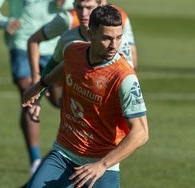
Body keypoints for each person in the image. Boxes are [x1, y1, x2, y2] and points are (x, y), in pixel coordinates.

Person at [22, 4, 149, 188]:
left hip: (101, 163)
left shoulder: (124, 77)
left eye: (118, 38)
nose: (114, 45)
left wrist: (102, 165)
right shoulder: (73, 50)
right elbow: (67, 65)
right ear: (90, 34)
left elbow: (141, 133)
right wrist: (41, 85)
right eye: (106, 38)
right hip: (63, 155)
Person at [0, 0, 73, 174]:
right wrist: (5, 22)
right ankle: (35, 161)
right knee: (28, 95)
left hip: (52, 45)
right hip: (22, 42)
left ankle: (75, 150)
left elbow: (83, 6)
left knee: (58, 101)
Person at [27, 0, 137, 108]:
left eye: (89, 8)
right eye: (80, 7)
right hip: (77, 96)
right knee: (58, 101)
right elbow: (53, 65)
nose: (84, 14)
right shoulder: (68, 37)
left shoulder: (119, 42)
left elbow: (129, 77)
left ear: (99, 6)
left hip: (107, 104)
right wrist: (37, 94)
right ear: (74, 6)